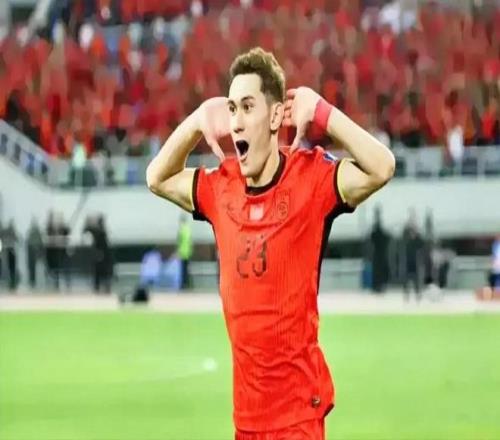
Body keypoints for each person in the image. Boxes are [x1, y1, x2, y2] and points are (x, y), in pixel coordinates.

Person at [146, 47, 395, 438]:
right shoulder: (220, 188)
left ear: (276, 116)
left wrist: (322, 111)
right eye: (232, 109)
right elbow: (156, 178)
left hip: (297, 420)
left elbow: (382, 167)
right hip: (246, 422)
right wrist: (196, 122)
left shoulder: (311, 179)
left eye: (248, 107)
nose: (236, 123)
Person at [401, 211, 424, 302]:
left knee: (416, 280)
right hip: (407, 261)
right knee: (406, 280)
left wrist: (416, 229)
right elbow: (404, 233)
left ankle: (417, 295)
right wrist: (409, 223)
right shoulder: (406, 238)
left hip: (415, 262)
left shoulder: (417, 239)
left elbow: (421, 243)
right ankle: (406, 296)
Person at [369, 205, 391, 293]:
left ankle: (378, 286)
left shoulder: (377, 233)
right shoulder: (378, 234)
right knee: (378, 271)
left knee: (379, 271)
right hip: (379, 254)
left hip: (379, 254)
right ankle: (378, 286)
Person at [26, 218, 44, 289]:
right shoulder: (30, 232)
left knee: (37, 268)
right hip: (31, 253)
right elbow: (28, 243)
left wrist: (40, 253)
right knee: (32, 268)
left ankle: (37, 282)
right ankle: (32, 281)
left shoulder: (38, 233)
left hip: (36, 253)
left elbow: (40, 243)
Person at [177, 214, 193, 290]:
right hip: (188, 252)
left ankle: (183, 284)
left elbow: (179, 241)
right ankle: (187, 284)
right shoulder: (188, 229)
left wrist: (178, 252)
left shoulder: (181, 230)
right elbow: (190, 242)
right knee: (187, 269)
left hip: (182, 253)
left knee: (183, 270)